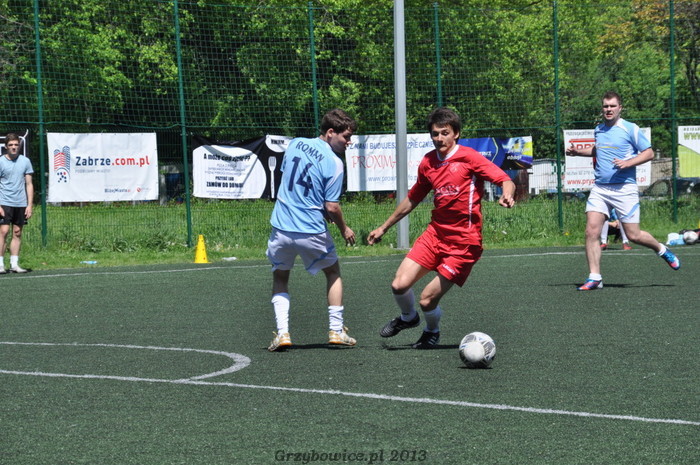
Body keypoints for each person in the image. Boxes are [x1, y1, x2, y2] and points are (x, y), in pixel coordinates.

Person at [367, 107, 515, 349]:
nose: (439, 138)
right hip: (435, 234)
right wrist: (384, 227)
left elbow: (504, 179)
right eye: (435, 134)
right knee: (399, 285)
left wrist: (507, 194)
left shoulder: (469, 157)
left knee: (426, 300)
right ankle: (408, 318)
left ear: (456, 133)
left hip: (464, 243)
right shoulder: (428, 162)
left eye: (444, 133)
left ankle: (431, 331)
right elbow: (413, 198)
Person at [566, 91, 680, 291]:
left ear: (620, 108)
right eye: (605, 106)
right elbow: (598, 150)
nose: (608, 109)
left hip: (624, 189)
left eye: (612, 106)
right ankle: (595, 277)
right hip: (600, 188)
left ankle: (661, 249)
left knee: (633, 235)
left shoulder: (630, 128)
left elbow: (649, 153)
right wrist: (578, 152)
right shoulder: (599, 129)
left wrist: (628, 163)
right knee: (591, 230)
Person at [266, 109, 358, 351]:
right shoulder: (335, 163)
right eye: (346, 137)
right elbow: (332, 206)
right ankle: (336, 331)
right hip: (310, 230)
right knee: (333, 272)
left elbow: (291, 182)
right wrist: (344, 228)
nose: (349, 142)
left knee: (280, 276)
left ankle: (282, 333)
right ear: (330, 132)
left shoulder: (295, 144)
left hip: (282, 228)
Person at [0, 133, 34, 274]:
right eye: (11, 145)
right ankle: (0, 264)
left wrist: (29, 205)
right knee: (3, 232)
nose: (14, 147)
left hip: (20, 203)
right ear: (6, 147)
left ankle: (14, 265)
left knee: (17, 232)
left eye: (16, 145)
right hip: (4, 202)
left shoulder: (25, 161)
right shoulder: (1, 161)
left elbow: (29, 184)